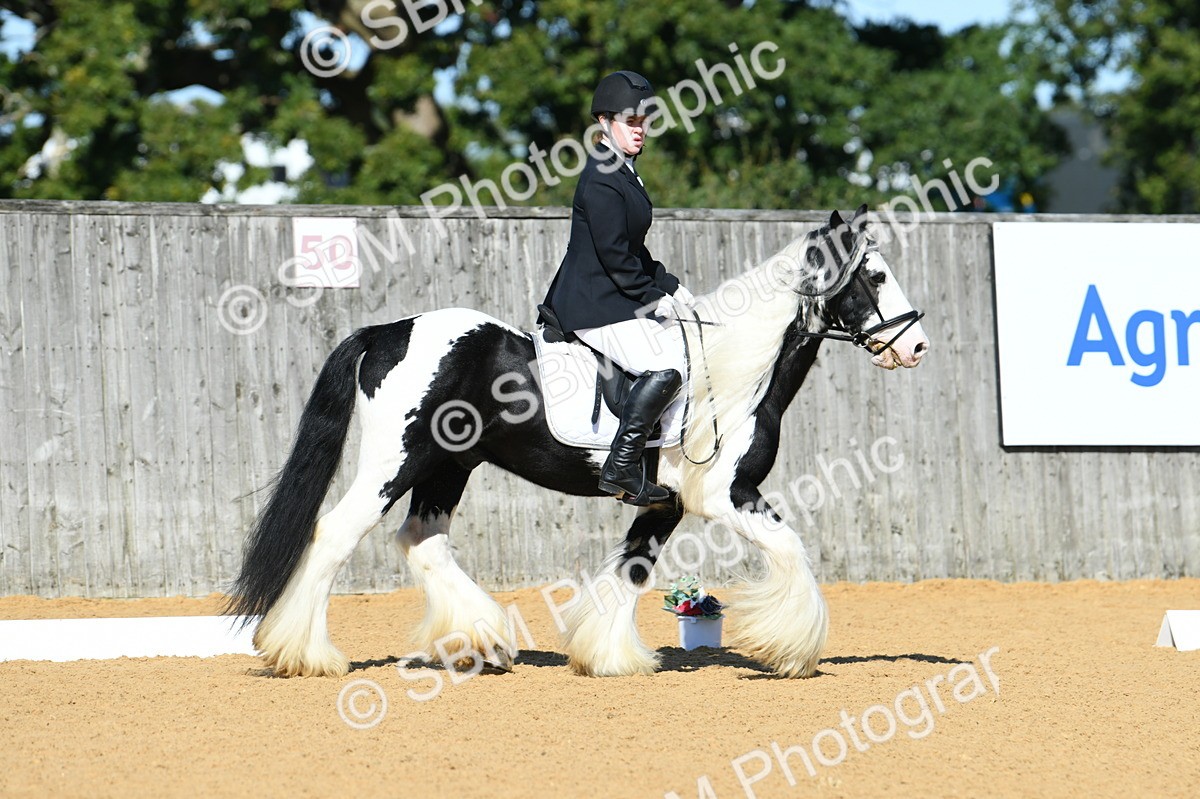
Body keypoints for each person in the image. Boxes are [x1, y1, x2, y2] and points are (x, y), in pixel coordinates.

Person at [540, 70, 695, 506]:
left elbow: (633, 249)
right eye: (631, 121)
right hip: (592, 303)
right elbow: (614, 256)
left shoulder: (625, 172)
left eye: (644, 121)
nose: (640, 129)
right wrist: (654, 299)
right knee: (667, 367)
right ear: (605, 122)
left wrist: (671, 286)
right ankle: (622, 465)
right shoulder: (602, 176)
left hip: (612, 297)